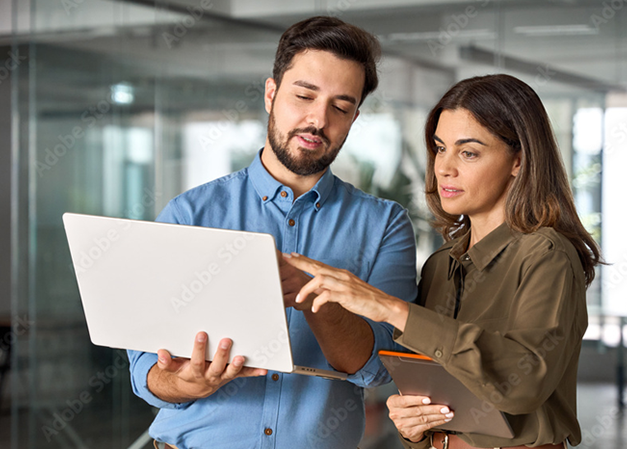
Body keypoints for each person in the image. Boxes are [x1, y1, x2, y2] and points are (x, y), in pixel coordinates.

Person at [126, 16, 418, 449]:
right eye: (304, 95)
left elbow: (379, 367)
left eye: (340, 107)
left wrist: (313, 293)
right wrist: (186, 384)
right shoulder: (190, 214)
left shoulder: (384, 225)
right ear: (271, 94)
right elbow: (145, 371)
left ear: (354, 118)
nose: (318, 120)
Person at [285, 74, 603, 449]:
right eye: (440, 148)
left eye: (468, 152)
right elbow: (436, 398)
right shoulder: (440, 267)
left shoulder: (547, 255)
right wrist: (413, 425)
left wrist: (391, 309)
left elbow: (524, 382)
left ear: (518, 160)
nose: (444, 168)